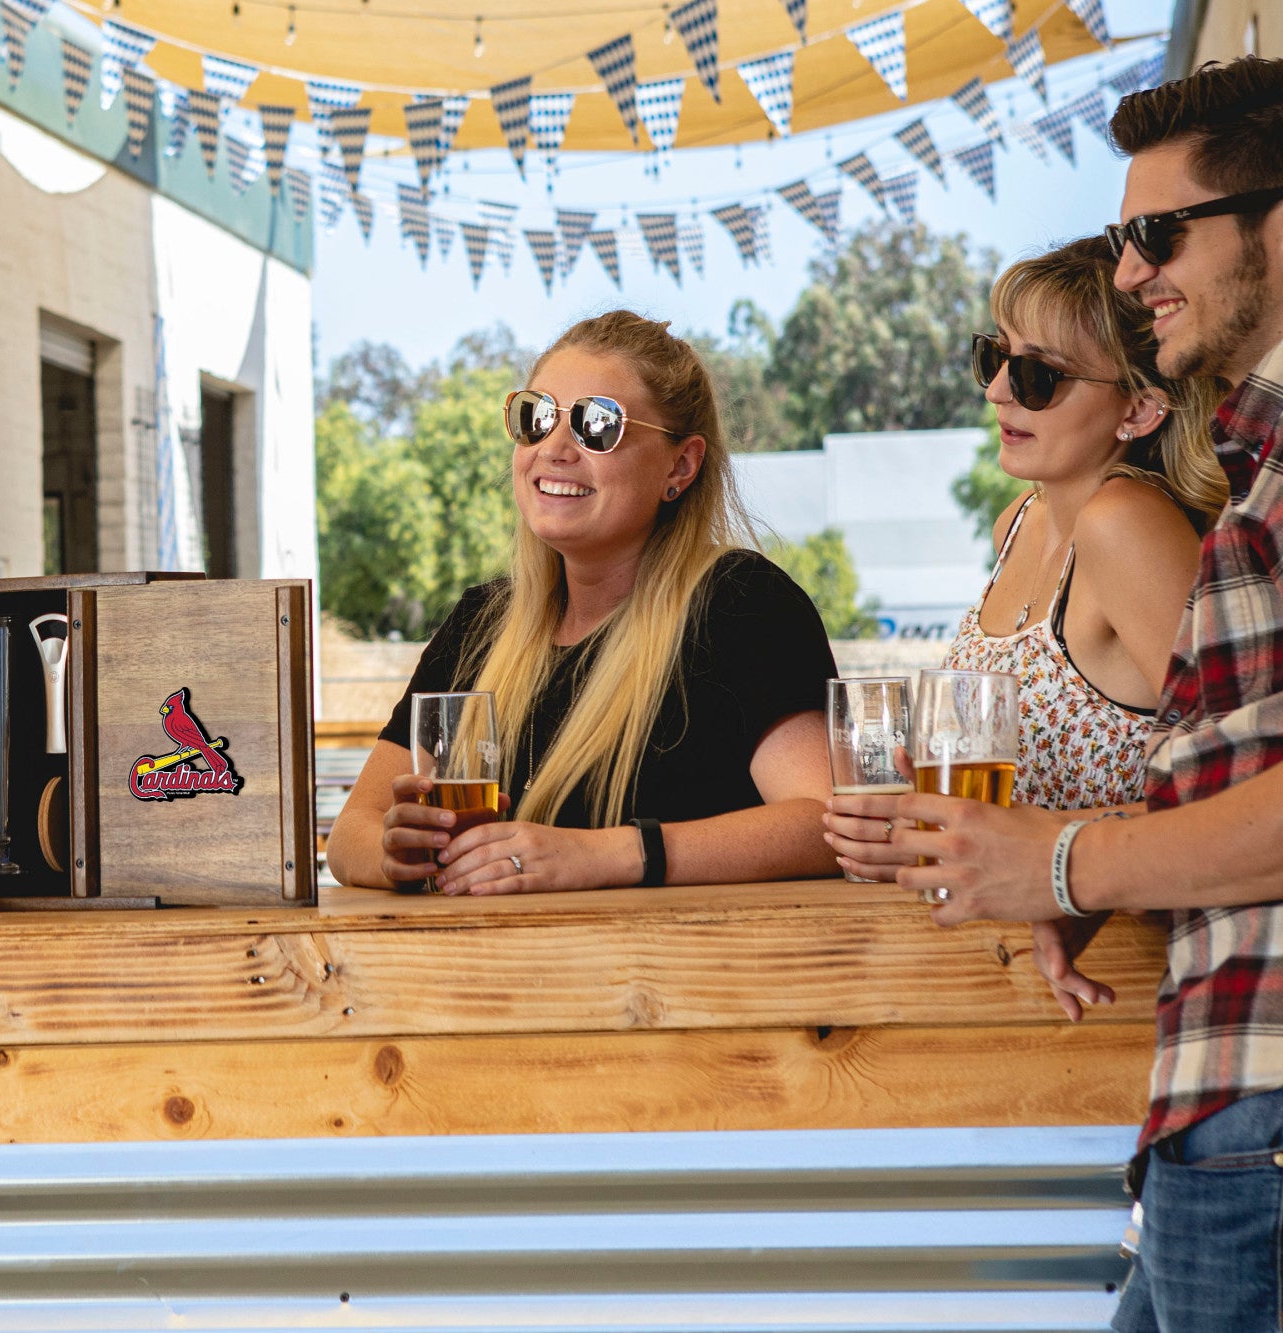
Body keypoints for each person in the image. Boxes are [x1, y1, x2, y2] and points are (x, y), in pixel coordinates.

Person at [873, 58, 1283, 1333]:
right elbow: (1210, 762)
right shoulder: (1255, 464)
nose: (1126, 271)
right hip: (1216, 1082)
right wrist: (1086, 881)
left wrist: (1064, 867)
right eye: (1119, 240)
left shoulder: (1138, 517)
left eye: (1156, 235)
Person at [325, 311, 839, 894]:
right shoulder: (481, 622)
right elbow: (349, 837)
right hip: (488, 980)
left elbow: (825, 824)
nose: (555, 448)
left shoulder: (742, 605)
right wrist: (400, 853)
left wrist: (608, 854)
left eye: (599, 425)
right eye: (535, 417)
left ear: (681, 464)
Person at [827, 236, 1226, 879]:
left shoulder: (1124, 524)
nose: (999, 391)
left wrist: (1033, 839)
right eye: (996, 356)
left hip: (1119, 946)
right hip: (1014, 945)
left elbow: (1240, 790)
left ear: (1140, 406)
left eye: (1041, 374)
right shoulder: (1017, 523)